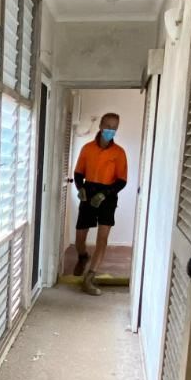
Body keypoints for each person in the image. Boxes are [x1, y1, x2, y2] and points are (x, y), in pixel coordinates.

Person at [72, 113, 128, 295]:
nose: (111, 130)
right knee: (80, 237)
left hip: (108, 196)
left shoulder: (119, 153)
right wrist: (80, 188)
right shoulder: (87, 149)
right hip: (88, 193)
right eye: (108, 126)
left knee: (102, 239)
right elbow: (78, 173)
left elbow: (122, 181)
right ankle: (82, 256)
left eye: (115, 128)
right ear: (101, 126)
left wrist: (105, 194)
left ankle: (89, 278)